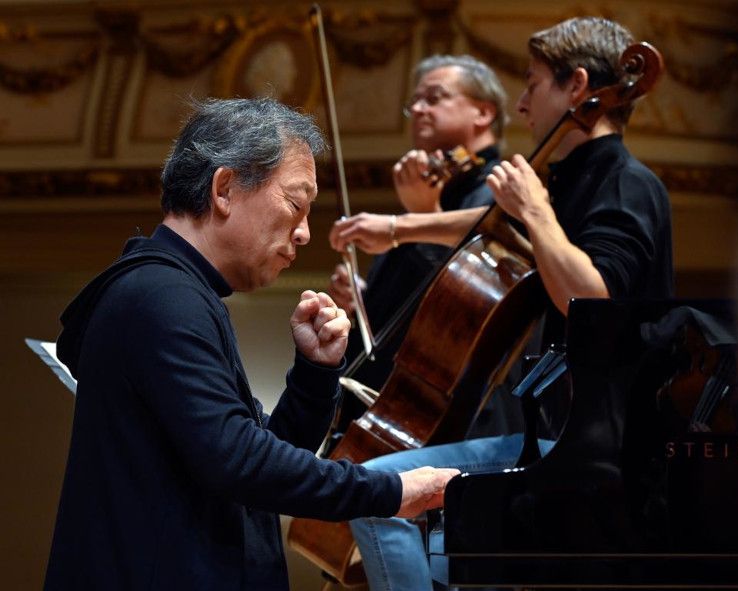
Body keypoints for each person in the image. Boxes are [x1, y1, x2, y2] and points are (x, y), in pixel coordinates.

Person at [43, 97, 459, 591]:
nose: (304, 233)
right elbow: (240, 462)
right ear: (224, 189)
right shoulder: (162, 295)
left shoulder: (177, 293)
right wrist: (391, 491)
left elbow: (257, 466)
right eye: (295, 204)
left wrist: (315, 371)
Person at [330, 17, 674, 591]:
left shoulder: (626, 183)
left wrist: (537, 213)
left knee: (374, 489)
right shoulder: (570, 180)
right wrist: (395, 227)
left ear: (576, 85)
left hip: (596, 447)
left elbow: (593, 301)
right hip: (557, 437)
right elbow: (490, 223)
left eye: (533, 84)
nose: (520, 105)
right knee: (411, 514)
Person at [326, 54, 508, 403]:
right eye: (416, 103)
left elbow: (470, 303)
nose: (420, 109)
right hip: (380, 393)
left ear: (483, 113)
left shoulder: (501, 189)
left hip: (446, 404)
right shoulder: (433, 186)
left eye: (435, 98)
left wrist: (422, 215)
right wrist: (360, 301)